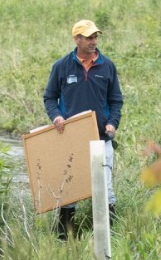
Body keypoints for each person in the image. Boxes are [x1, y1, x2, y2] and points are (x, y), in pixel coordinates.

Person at [42, 19, 123, 237]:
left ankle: (109, 238)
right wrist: (57, 116)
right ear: (77, 39)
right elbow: (50, 97)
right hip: (71, 140)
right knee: (69, 191)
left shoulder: (107, 66)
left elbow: (116, 101)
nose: (93, 41)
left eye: (95, 36)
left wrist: (112, 122)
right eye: (88, 37)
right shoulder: (61, 66)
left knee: (105, 190)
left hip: (101, 139)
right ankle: (65, 239)